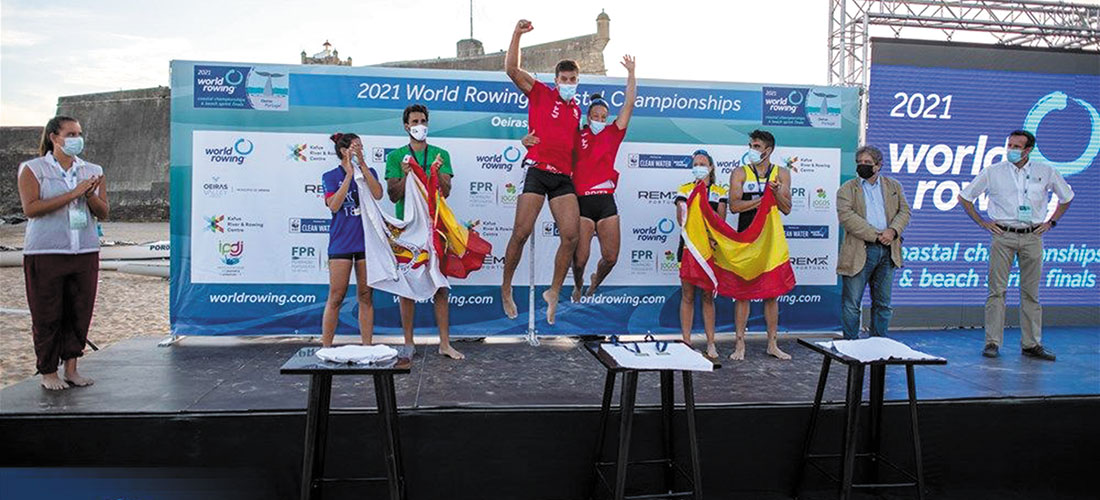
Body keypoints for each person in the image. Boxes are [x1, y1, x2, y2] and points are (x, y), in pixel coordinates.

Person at [521, 55, 637, 302]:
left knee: (611, 257)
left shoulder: (612, 134)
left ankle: (596, 280)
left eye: (603, 116)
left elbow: (628, 105)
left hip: (605, 201)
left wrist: (631, 74)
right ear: (587, 116)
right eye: (595, 115)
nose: (599, 119)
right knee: (580, 259)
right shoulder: (577, 134)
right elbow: (552, 139)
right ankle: (579, 283)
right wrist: (525, 141)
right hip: (581, 201)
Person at [958, 130, 1073, 361]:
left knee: (1031, 292)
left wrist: (1051, 222)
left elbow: (1067, 197)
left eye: (1016, 146)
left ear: (1028, 150)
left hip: (1033, 236)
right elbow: (965, 197)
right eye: (1009, 145)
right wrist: (982, 222)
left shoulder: (1045, 171)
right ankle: (992, 342)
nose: (1011, 149)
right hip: (1003, 235)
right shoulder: (993, 171)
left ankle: (1031, 344)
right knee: (996, 291)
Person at [17, 116, 108, 390]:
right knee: (47, 314)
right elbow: (31, 209)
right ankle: (48, 372)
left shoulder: (92, 169)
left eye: (79, 133)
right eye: (70, 133)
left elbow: (103, 212)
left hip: (85, 250)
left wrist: (89, 194)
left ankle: (71, 369)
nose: (76, 138)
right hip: (46, 251)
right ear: (55, 137)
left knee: (79, 312)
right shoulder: (33, 169)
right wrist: (73, 193)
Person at [501, 18, 582, 325]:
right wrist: (517, 34)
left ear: (577, 80)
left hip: (562, 177)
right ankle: (506, 287)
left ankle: (554, 291)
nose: (568, 83)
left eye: (573, 79)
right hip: (537, 170)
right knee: (520, 233)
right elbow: (510, 69)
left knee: (571, 236)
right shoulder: (540, 92)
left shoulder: (576, 110)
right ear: (556, 79)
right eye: (564, 78)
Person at [385, 104, 465, 360]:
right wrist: (406, 176)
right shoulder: (396, 157)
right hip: (407, 228)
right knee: (406, 287)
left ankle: (444, 343)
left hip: (435, 227)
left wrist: (436, 171)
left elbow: (447, 190)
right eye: (415, 121)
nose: (419, 125)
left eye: (423, 121)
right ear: (406, 126)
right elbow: (393, 194)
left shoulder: (441, 153)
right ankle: (408, 343)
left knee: (440, 286)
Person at [728, 130, 793, 360]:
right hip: (746, 237)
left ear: (768, 150)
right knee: (743, 293)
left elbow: (786, 208)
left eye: (756, 146)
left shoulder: (782, 173)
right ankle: (739, 345)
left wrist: (775, 195)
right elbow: (734, 206)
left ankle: (772, 344)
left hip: (771, 239)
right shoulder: (740, 172)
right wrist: (764, 199)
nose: (752, 150)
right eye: (750, 145)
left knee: (771, 293)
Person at [836, 145, 911, 339]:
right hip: (860, 251)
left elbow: (904, 211)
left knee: (883, 304)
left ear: (879, 165)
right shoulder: (847, 189)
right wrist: (877, 235)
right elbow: (847, 217)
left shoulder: (894, 186)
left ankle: (879, 345)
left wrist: (893, 231)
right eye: (859, 163)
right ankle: (851, 346)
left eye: (867, 163)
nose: (863, 166)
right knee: (852, 303)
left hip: (888, 252)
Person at [320, 133, 383, 348]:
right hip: (341, 243)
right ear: (343, 150)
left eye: (361, 148)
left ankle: (367, 347)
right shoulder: (330, 176)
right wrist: (348, 175)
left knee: (365, 296)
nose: (360, 151)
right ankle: (326, 347)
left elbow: (378, 194)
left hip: (366, 243)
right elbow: (334, 206)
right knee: (336, 296)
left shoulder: (369, 172)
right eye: (356, 148)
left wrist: (362, 167)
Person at [675, 150, 727, 361]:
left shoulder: (718, 191)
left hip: (710, 250)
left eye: (703, 163)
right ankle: (686, 342)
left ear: (711, 167)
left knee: (707, 297)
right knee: (687, 295)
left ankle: (711, 343)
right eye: (695, 163)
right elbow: (681, 220)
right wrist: (684, 206)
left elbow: (720, 221)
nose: (699, 166)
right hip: (688, 249)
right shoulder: (685, 189)